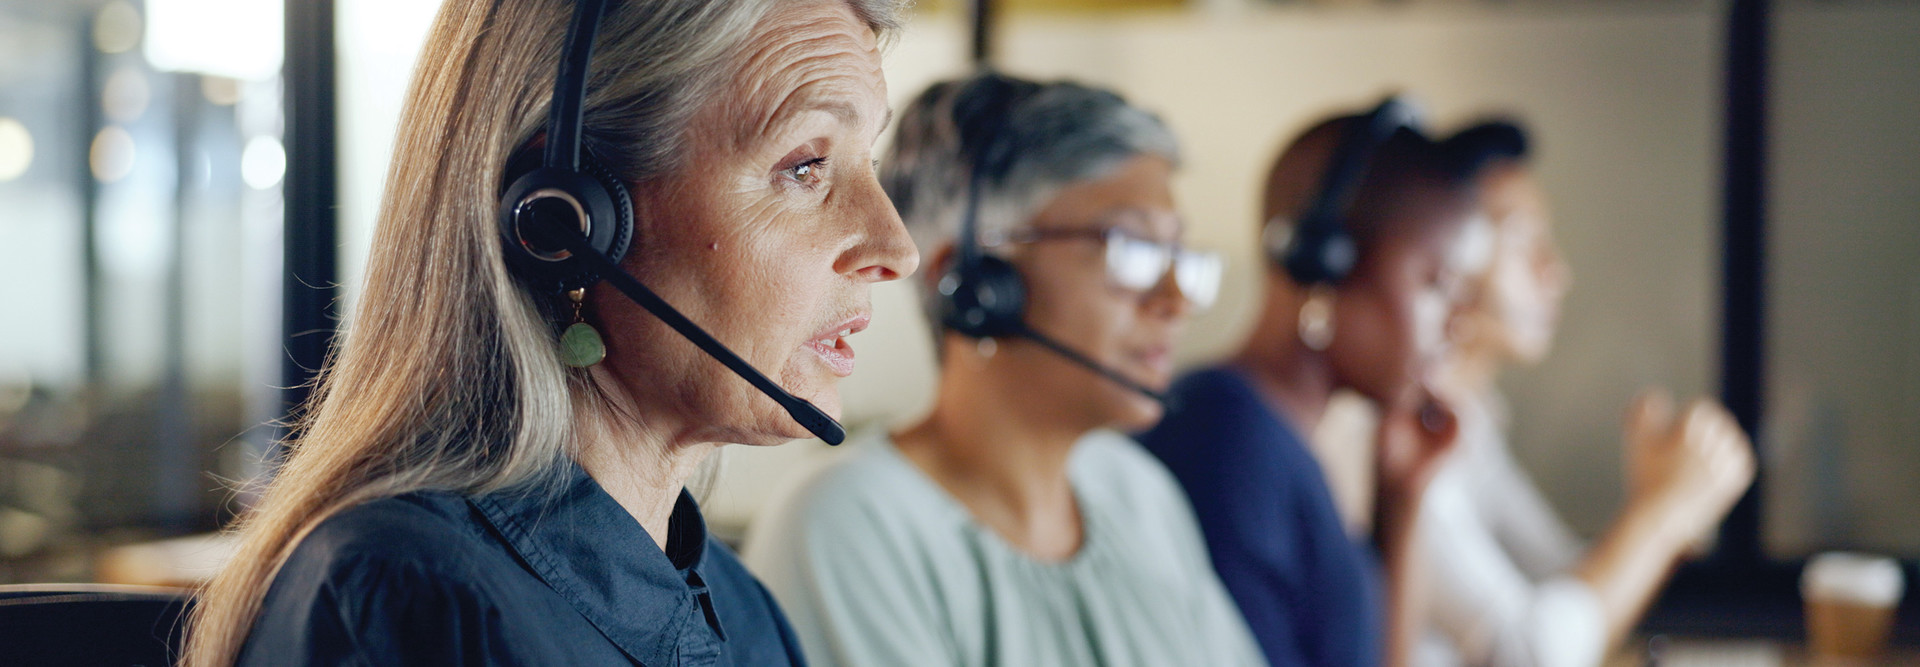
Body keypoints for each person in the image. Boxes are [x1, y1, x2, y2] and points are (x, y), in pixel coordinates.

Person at [184, 0, 918, 664]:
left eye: (870, 164)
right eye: (806, 166)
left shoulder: (747, 614)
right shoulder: (401, 602)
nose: (896, 246)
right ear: (563, 221)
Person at [743, 72, 1265, 667]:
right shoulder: (851, 522)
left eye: (1177, 255)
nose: (1176, 298)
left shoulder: (1136, 495)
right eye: (1135, 248)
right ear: (973, 285)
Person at [1137, 103, 1503, 667]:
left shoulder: (1277, 438)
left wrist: (1401, 501)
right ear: (1325, 262)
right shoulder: (1227, 448)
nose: (1457, 324)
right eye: (1437, 284)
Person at [1417, 122, 1755, 667]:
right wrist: (1661, 514)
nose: (1556, 272)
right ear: (1446, 257)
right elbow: (1530, 655)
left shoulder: (1472, 420)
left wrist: (1665, 508)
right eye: (1523, 242)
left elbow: (1560, 578)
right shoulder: (1399, 435)